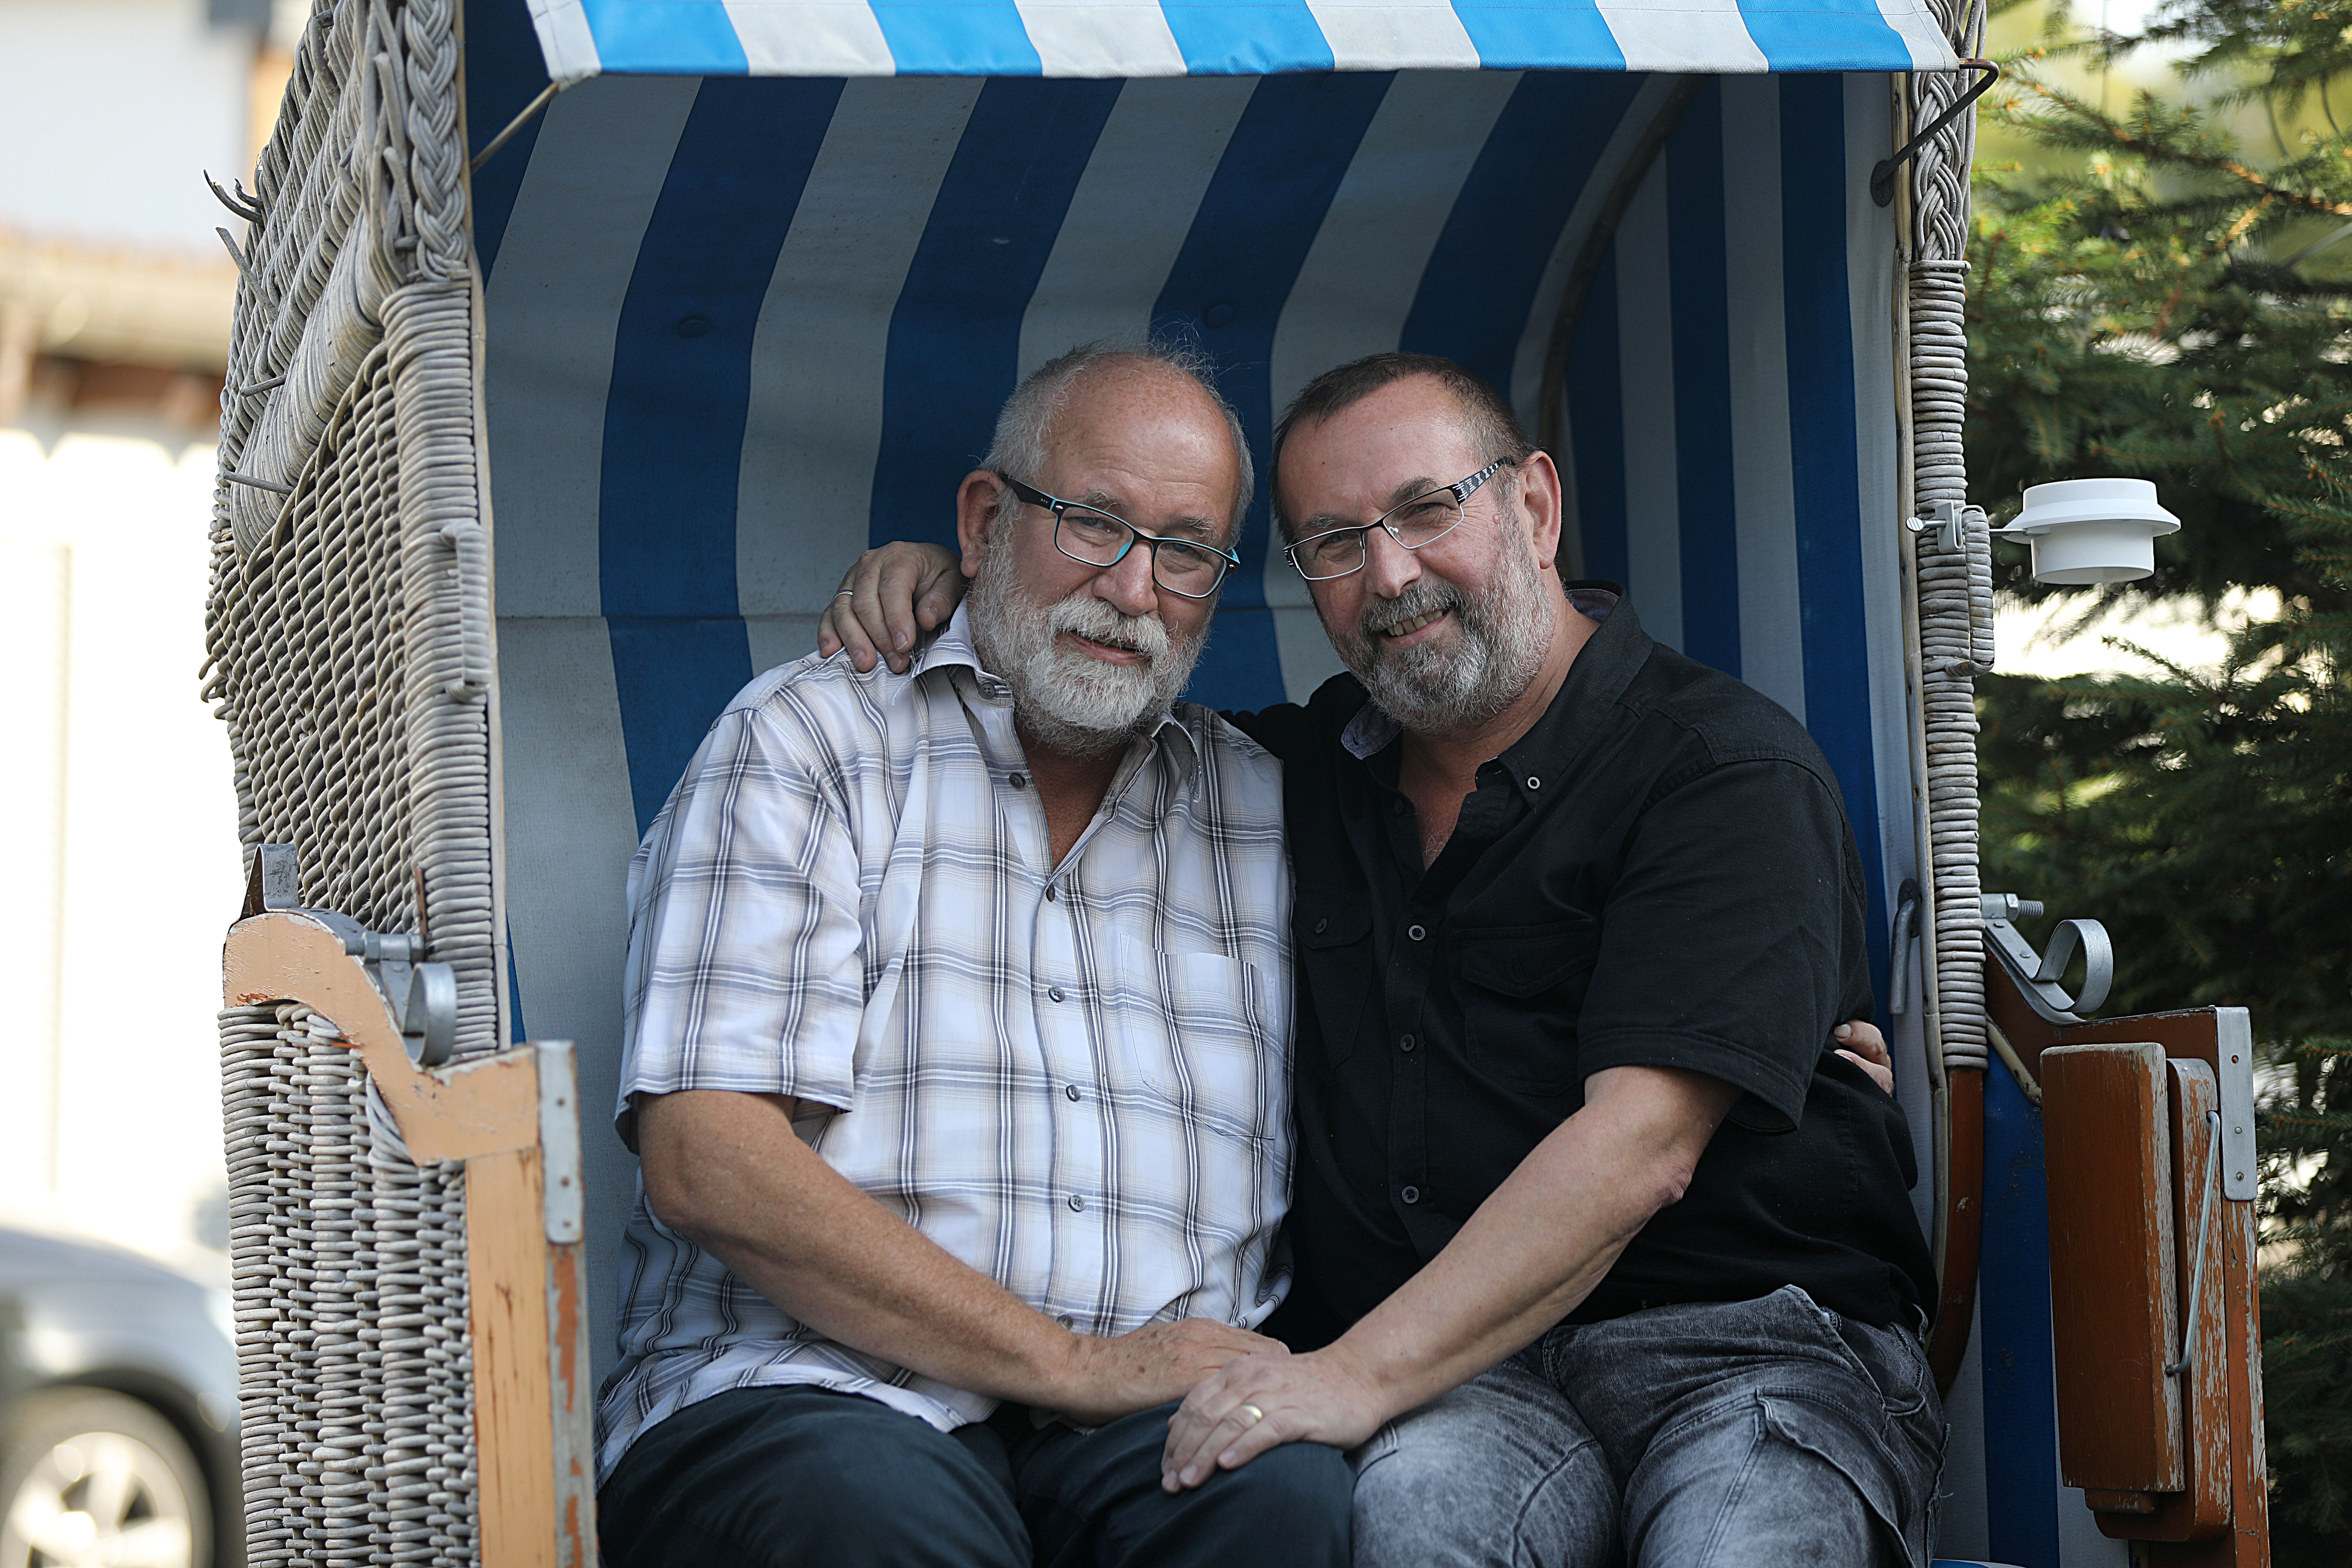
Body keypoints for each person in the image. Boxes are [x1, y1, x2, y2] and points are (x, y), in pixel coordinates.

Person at [821, 352, 1941, 1566]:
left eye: (1425, 509)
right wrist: (965, 585)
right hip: (1466, 1383)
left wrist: (1349, 1377)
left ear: (1535, 505)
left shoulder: (1722, 768)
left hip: (1741, 1347)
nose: (1392, 575)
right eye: (1335, 542)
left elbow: (1642, 1149)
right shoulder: (1288, 783)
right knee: (1408, 1532)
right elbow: (1085, 678)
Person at [594, 343, 1354, 1568]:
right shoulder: (812, 741)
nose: (1133, 588)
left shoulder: (1267, 809)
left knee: (1286, 1506)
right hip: (814, 1393)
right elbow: (706, 1159)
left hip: (1153, 1415)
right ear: (987, 518)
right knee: (876, 1515)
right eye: (1093, 522)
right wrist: (1071, 1363)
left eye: (1185, 549)